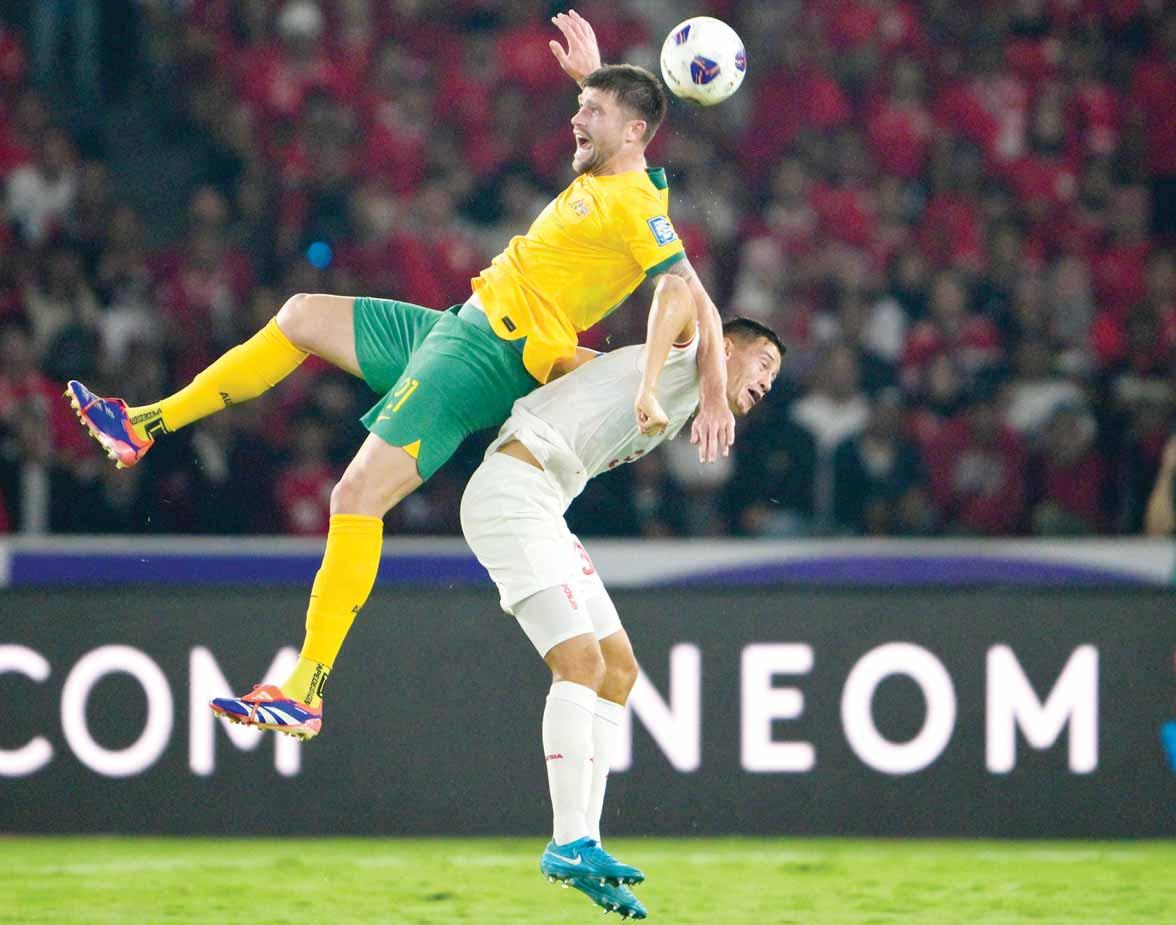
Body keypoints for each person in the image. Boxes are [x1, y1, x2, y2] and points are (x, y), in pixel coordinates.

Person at [64, 11, 735, 739]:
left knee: (355, 495)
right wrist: (594, 81)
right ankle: (141, 425)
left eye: (592, 111)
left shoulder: (636, 204)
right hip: (458, 327)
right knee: (300, 316)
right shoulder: (612, 174)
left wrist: (699, 390)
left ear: (633, 132)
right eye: (580, 104)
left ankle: (305, 688)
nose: (576, 117)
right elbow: (621, 153)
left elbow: (687, 294)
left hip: (484, 358)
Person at [460, 283, 783, 920]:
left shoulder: (679, 394)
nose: (769, 382)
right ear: (729, 347)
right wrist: (660, 385)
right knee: (579, 663)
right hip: (512, 493)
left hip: (546, 507)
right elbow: (678, 289)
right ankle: (567, 841)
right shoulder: (688, 360)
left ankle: (586, 843)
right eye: (765, 363)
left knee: (618, 668)